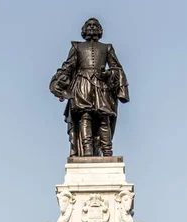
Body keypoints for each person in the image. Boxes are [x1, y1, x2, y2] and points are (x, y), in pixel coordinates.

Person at [50, 18, 129, 157]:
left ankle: (107, 151)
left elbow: (117, 68)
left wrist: (109, 73)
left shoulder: (107, 48)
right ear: (84, 30)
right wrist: (58, 84)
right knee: (85, 117)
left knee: (104, 118)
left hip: (101, 85)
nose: (92, 28)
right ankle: (87, 151)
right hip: (82, 84)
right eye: (89, 25)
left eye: (95, 26)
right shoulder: (77, 47)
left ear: (100, 30)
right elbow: (68, 67)